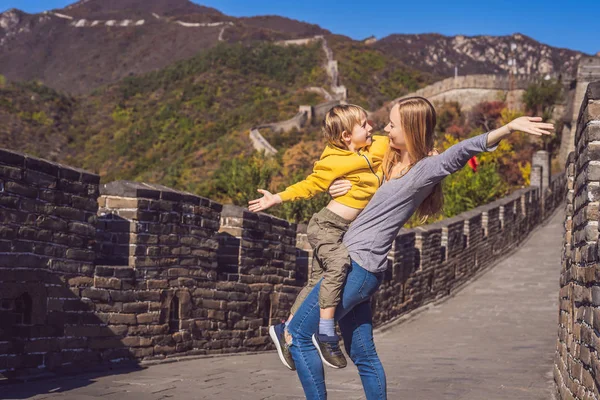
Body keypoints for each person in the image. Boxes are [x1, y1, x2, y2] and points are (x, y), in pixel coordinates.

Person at [286, 96, 554, 399]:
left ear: (411, 129)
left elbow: (461, 150)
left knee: (298, 335)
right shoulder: (389, 159)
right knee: (363, 354)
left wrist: (506, 128)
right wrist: (334, 184)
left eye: (392, 124)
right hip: (362, 268)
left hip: (357, 267)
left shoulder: (425, 169)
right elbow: (346, 161)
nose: (384, 128)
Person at [248, 104, 389, 370]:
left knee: (317, 284)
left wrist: (432, 151)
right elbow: (311, 184)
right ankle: (325, 333)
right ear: (347, 136)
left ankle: (285, 329)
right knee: (339, 265)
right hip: (326, 226)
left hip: (345, 229)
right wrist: (277, 197)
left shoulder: (377, 146)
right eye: (364, 124)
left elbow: (402, 145)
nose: (372, 127)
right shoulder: (332, 160)